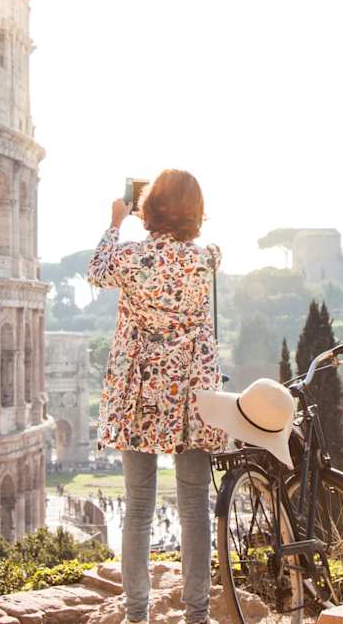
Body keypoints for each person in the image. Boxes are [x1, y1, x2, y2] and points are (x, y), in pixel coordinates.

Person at [87, 169, 225, 624]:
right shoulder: (207, 258)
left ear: (149, 209)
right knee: (193, 507)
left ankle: (136, 616)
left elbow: (96, 271)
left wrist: (115, 220)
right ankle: (197, 616)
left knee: (139, 506)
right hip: (190, 388)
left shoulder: (129, 259)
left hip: (138, 388)